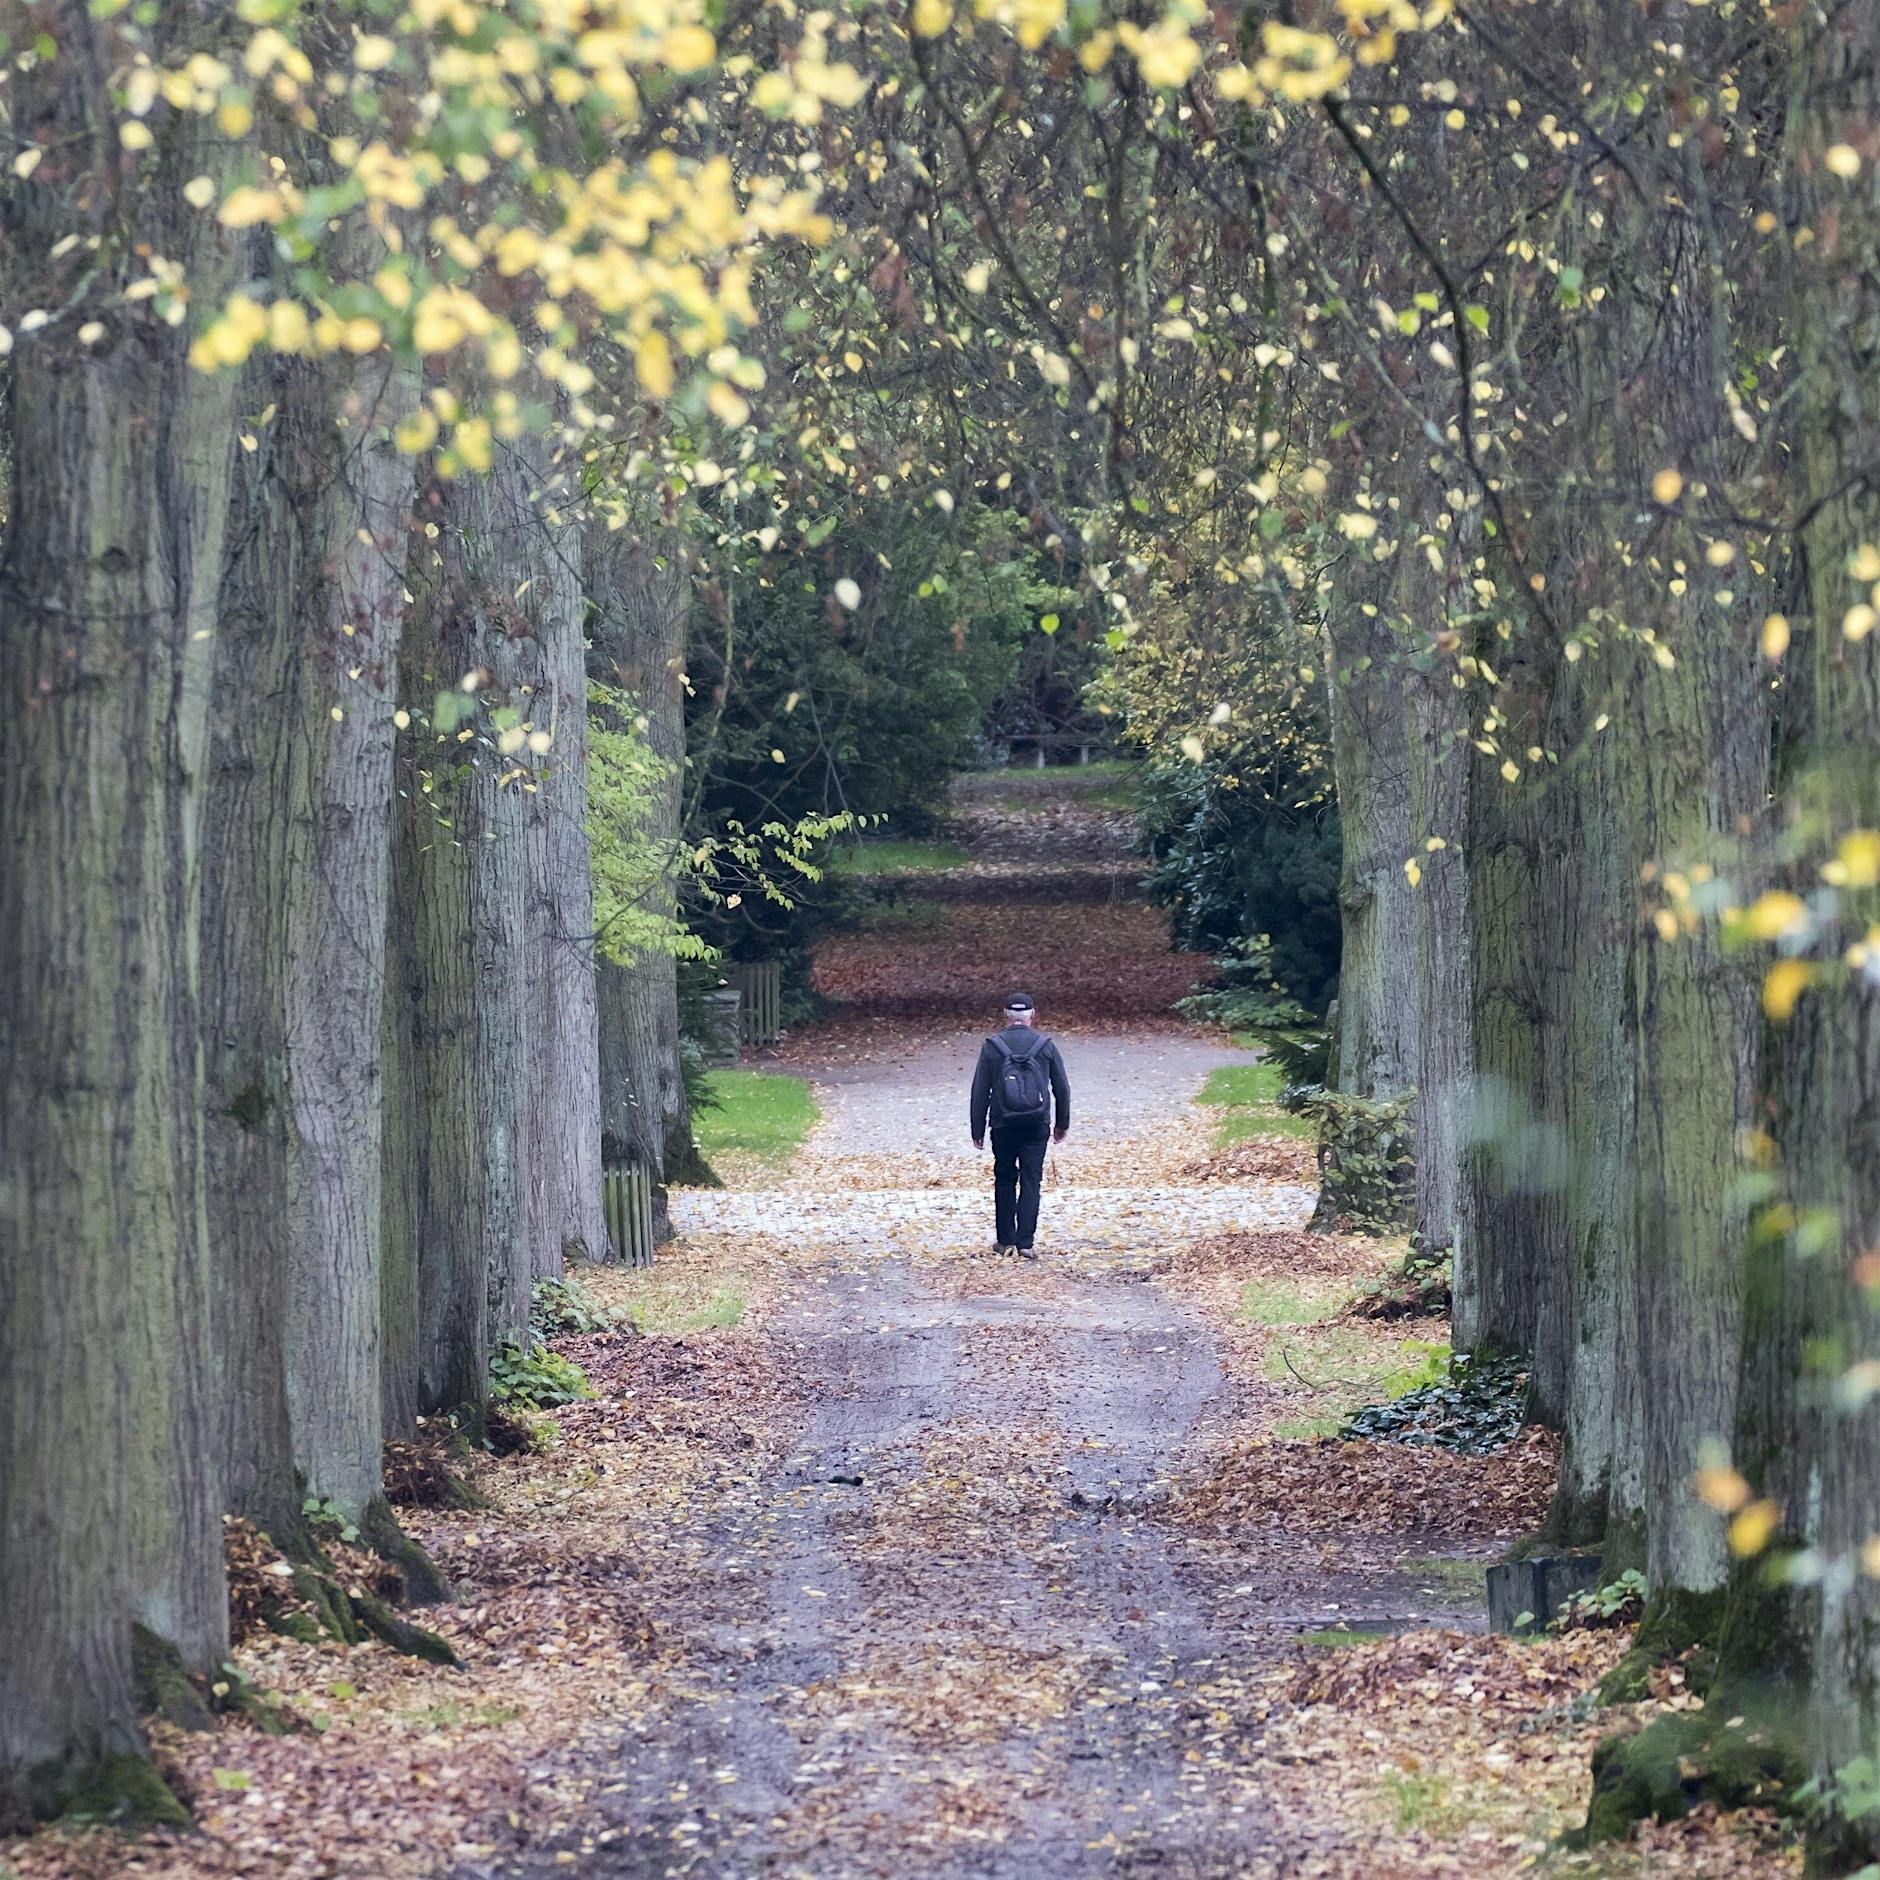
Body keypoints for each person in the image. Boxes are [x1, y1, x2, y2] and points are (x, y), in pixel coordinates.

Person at [969, 991, 1070, 1259]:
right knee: (1031, 1179)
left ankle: (1005, 1241)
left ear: (1005, 1016)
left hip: (1003, 1123)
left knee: (1004, 1178)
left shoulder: (993, 1046)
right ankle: (1026, 1242)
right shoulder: (1045, 1045)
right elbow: (1062, 1087)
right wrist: (1062, 1124)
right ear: (1033, 1015)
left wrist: (977, 1129)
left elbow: (980, 1090)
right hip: (1037, 1124)